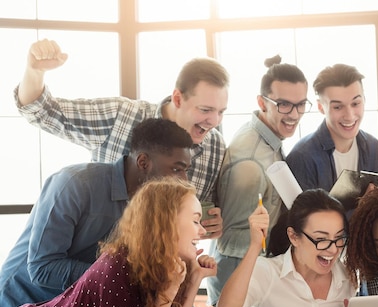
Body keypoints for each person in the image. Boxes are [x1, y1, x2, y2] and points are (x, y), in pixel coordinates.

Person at [0, 177, 217, 307]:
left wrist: (193, 281)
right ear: (166, 222)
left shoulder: (169, 270)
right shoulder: (118, 266)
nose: (203, 231)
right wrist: (167, 292)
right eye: (195, 220)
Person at [15, 38, 226, 236]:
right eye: (206, 110)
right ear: (178, 98)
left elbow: (200, 214)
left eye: (221, 111)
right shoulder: (120, 116)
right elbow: (41, 111)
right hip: (90, 259)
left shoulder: (215, 146)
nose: (215, 121)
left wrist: (210, 224)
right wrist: (35, 70)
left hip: (157, 269)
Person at [0, 118, 192, 307]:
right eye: (176, 169)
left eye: (185, 171)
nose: (184, 181)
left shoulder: (154, 207)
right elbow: (42, 268)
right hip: (19, 305)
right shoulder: (74, 183)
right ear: (143, 162)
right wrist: (120, 275)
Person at [210, 55, 310, 307]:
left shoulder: (267, 141)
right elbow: (233, 240)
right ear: (262, 101)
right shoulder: (251, 163)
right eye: (284, 104)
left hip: (248, 280)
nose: (294, 113)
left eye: (301, 104)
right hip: (239, 284)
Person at [216, 189, 357, 307]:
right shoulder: (268, 272)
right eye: (321, 239)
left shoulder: (348, 277)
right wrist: (255, 245)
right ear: (294, 237)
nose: (332, 250)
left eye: (338, 238)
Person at [285, 63, 378, 193]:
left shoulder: (375, 148)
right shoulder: (302, 157)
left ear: (364, 100)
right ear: (321, 107)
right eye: (338, 107)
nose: (349, 116)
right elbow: (301, 213)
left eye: (355, 103)